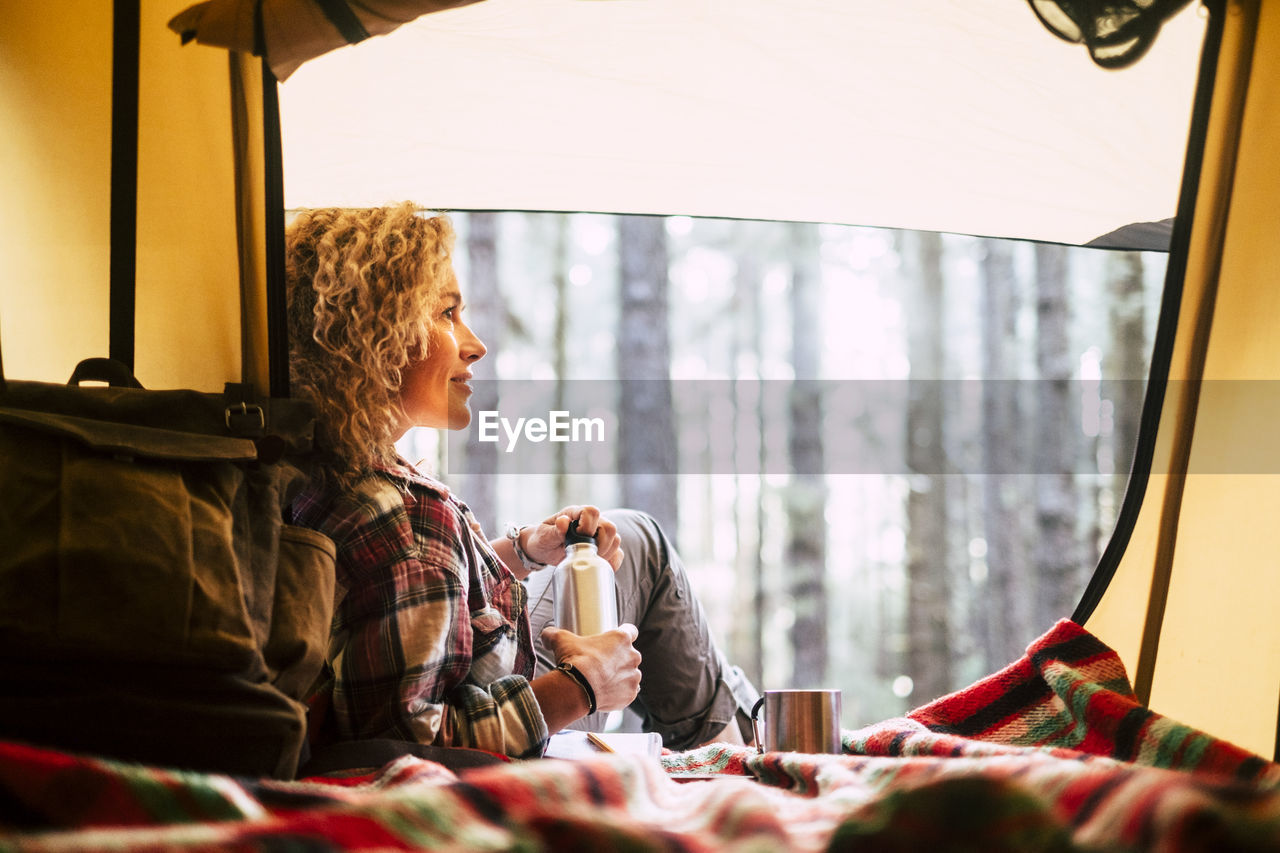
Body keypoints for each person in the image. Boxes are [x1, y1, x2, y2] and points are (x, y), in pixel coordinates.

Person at [285, 203, 758, 760]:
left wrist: (525, 551)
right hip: (510, 706)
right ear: (376, 334)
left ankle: (743, 734)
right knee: (645, 547)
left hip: (483, 658)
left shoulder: (326, 458)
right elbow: (404, 746)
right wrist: (582, 686)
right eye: (446, 314)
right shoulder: (407, 518)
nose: (474, 344)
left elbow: (411, 588)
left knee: (631, 535)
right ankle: (735, 753)